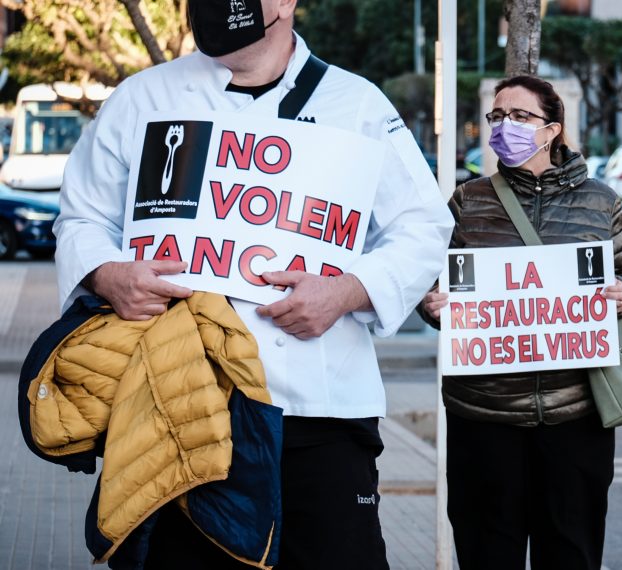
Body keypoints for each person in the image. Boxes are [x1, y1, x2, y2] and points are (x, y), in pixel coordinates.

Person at [53, 0, 453, 566]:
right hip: (178, 404)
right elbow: (81, 218)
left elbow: (424, 226)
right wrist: (109, 273)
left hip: (322, 414)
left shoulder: (358, 104)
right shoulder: (141, 99)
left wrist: (345, 292)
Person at [419, 75, 622, 570]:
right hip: (484, 418)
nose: (505, 126)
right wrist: (432, 306)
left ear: (552, 129)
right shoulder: (468, 201)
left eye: (520, 116)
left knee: (570, 552)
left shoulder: (600, 201)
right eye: (497, 116)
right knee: (486, 553)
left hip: (574, 417)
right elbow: (433, 285)